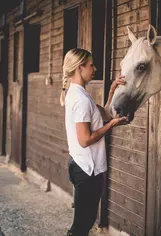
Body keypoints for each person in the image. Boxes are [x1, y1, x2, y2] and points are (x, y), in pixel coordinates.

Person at [60, 48, 128, 236]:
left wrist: (113, 88)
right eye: (91, 65)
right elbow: (85, 140)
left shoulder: (80, 95)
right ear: (80, 68)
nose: (94, 68)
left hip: (83, 166)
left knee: (85, 222)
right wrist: (111, 125)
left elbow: (104, 113)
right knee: (81, 226)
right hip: (86, 169)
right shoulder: (81, 100)